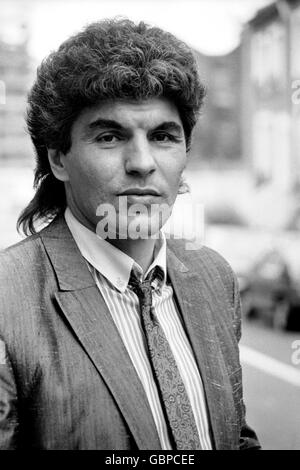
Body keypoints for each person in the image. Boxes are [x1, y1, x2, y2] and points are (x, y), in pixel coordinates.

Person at [0, 18, 260, 450]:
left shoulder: (216, 278)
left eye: (162, 136)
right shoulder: (8, 300)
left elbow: (237, 438)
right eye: (109, 136)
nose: (142, 162)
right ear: (58, 159)